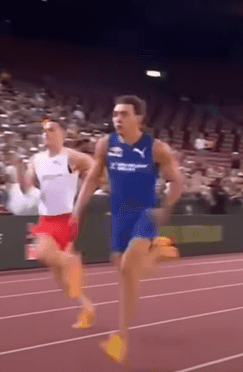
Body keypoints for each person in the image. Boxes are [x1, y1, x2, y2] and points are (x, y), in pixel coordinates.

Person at [72, 95, 183, 363]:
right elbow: (92, 179)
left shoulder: (157, 149)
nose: (117, 119)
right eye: (115, 114)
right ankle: (156, 253)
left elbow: (177, 182)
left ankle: (121, 337)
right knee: (126, 277)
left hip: (145, 214)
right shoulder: (106, 144)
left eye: (124, 114)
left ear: (139, 118)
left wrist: (165, 208)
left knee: (126, 268)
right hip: (119, 217)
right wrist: (77, 209)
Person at [16, 120, 96, 329]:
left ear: (62, 133)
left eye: (51, 130)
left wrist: (83, 195)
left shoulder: (73, 157)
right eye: (44, 131)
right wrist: (18, 168)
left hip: (65, 219)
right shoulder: (37, 159)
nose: (47, 134)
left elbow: (96, 173)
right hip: (46, 219)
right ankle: (87, 308)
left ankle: (70, 261)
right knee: (63, 281)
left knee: (41, 253)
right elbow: (26, 188)